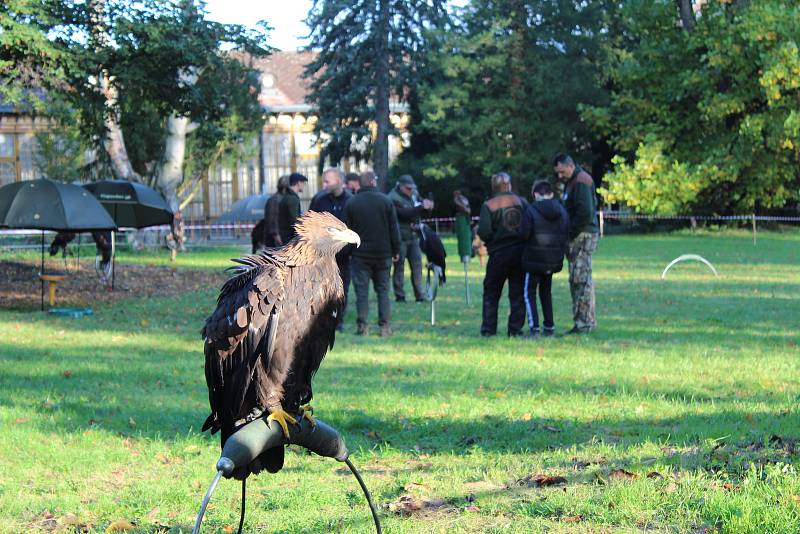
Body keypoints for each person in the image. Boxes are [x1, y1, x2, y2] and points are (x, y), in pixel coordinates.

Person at [345, 170, 401, 337]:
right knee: (383, 290)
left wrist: (348, 252)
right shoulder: (386, 201)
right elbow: (393, 228)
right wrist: (396, 250)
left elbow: (347, 231)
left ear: (360, 183)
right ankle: (384, 327)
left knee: (361, 292)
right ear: (373, 182)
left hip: (360, 255)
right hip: (383, 254)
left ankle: (363, 327)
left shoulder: (352, 203)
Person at [477, 172, 527, 337]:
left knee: (491, 292)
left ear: (494, 186)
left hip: (499, 254)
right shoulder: (522, 202)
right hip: (520, 252)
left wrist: (493, 242)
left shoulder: (489, 205)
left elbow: (484, 230)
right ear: (509, 185)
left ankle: (489, 329)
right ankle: (515, 329)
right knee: (518, 292)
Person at [554, 153, 599, 334]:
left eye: (561, 171)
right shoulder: (573, 181)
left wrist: (570, 234)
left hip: (583, 235)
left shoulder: (581, 181)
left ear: (569, 165)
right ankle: (583, 321)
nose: (560, 176)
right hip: (580, 234)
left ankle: (584, 323)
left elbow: (584, 213)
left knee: (581, 279)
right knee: (578, 278)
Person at [519, 180, 569, 337]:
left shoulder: (530, 210)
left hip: (533, 260)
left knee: (529, 293)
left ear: (535, 195)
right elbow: (566, 231)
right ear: (551, 194)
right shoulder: (562, 210)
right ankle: (549, 326)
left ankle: (534, 328)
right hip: (553, 260)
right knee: (546, 292)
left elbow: (524, 234)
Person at [310, 167, 353, 331]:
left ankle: (339, 321)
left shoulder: (350, 200)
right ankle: (322, 320)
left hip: (344, 256)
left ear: (339, 181)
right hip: (322, 255)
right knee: (322, 290)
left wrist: (349, 252)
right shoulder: (319, 200)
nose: (324, 184)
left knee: (343, 289)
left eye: (327, 180)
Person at [388, 175, 433, 302]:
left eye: (412, 188)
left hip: (414, 236)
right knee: (399, 267)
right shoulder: (392, 197)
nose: (411, 190)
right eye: (408, 188)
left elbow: (420, 209)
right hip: (400, 237)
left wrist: (428, 206)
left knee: (417, 266)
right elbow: (404, 214)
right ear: (400, 186)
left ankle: (420, 295)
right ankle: (400, 295)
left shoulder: (414, 194)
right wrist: (421, 207)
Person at [278, 172, 308, 244]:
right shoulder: (292, 199)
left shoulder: (287, 196)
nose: (304, 185)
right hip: (290, 239)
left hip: (285, 237)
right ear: (298, 183)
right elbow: (294, 221)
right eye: (303, 183)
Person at [264, 175, 289, 247]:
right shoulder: (275, 199)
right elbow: (271, 218)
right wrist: (276, 235)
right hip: (275, 239)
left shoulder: (282, 198)